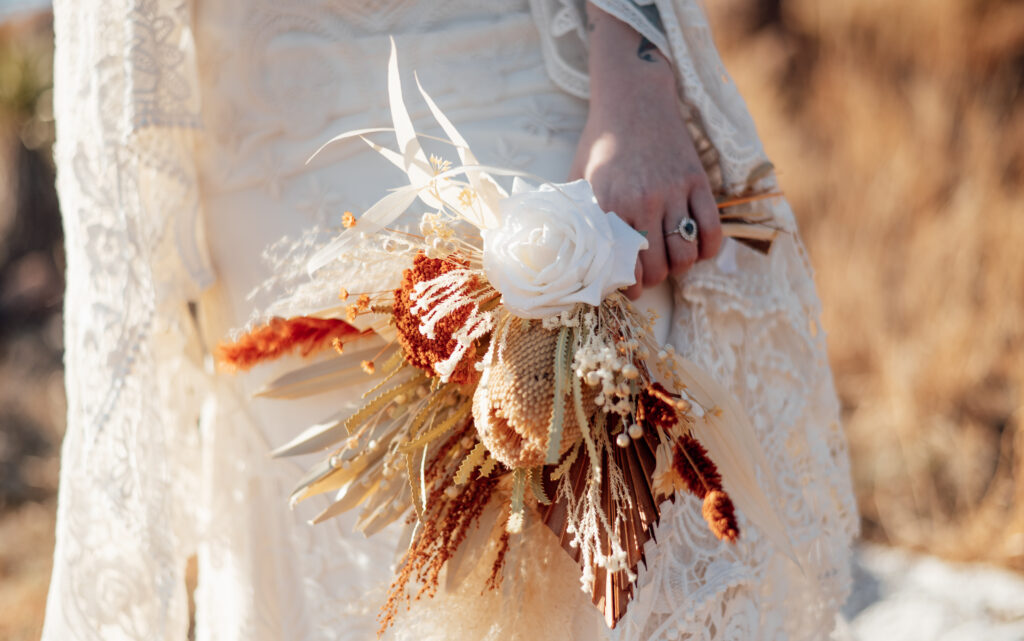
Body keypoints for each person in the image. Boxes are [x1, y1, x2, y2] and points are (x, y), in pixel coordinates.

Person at [42, 1, 857, 640]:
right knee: (341, 559)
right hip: (273, 151)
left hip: (536, 90)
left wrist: (639, 72)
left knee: (609, 539)